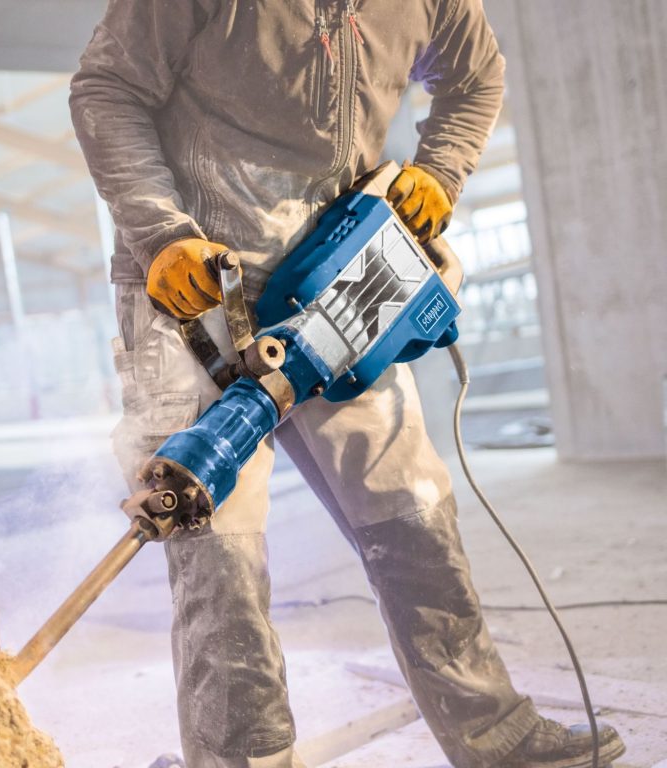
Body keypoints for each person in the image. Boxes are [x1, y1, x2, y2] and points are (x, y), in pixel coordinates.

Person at [69, 2, 626, 766]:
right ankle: (245, 759)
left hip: (335, 279)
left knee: (414, 512)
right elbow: (106, 90)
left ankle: (494, 736)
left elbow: (476, 76)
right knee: (218, 548)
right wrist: (160, 231)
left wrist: (442, 168)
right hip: (193, 288)